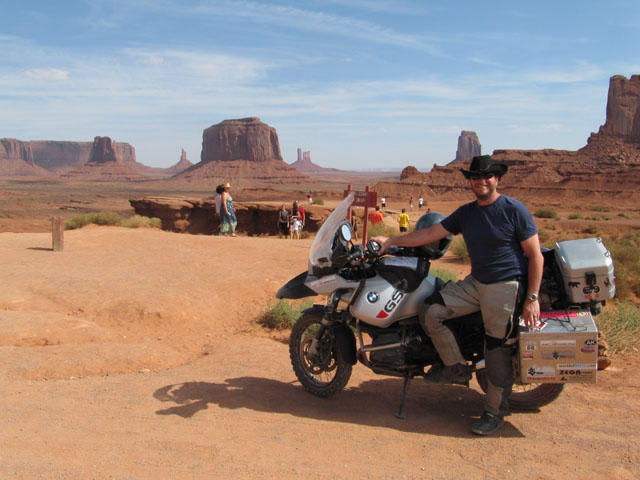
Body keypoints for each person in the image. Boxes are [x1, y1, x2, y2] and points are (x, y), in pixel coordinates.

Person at [372, 155, 543, 436]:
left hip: (504, 286)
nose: (481, 181)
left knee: (496, 348)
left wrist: (532, 298)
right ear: (470, 182)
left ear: (497, 179)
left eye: (486, 176)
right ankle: (456, 368)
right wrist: (392, 241)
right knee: (431, 310)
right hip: (476, 284)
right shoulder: (467, 213)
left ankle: (494, 412)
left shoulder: (515, 210)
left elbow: (535, 256)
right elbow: (429, 233)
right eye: (476, 177)